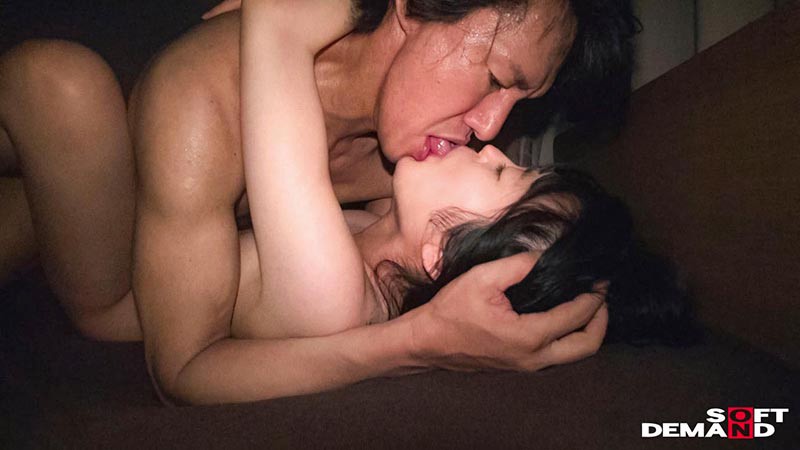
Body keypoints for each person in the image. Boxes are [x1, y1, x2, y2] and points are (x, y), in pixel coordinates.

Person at [0, 0, 638, 404]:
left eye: (519, 100)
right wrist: (416, 343)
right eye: (497, 78)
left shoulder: (423, 177)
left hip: (125, 289)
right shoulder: (213, 95)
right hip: (147, 208)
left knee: (60, 105)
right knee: (60, 88)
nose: (493, 131)